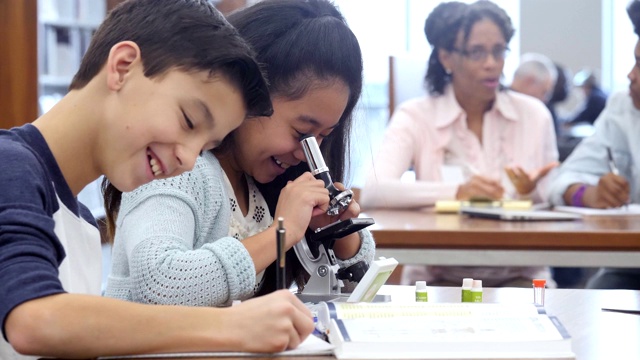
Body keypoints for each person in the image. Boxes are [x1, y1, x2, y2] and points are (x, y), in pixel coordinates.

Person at [0, 0, 317, 358]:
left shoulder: (81, 223)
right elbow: (34, 320)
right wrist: (232, 326)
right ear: (122, 67)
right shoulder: (10, 166)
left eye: (206, 146)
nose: (187, 159)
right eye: (189, 121)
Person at [104, 0, 374, 306]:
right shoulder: (177, 168)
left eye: (323, 138)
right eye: (301, 133)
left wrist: (339, 234)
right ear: (250, 93)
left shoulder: (262, 185)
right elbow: (160, 284)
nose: (306, 154)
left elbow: (360, 285)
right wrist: (280, 234)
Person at [360, 1, 558, 287]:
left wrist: (535, 191)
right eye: (477, 52)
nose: (492, 63)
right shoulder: (417, 116)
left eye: (499, 50)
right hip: (438, 280)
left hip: (521, 279)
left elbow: (554, 200)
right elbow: (374, 190)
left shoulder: (534, 115)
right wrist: (458, 192)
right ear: (446, 57)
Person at [546, 0, 640, 291]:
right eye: (635, 60)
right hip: (633, 265)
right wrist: (589, 194)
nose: (630, 75)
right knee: (592, 303)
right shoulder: (622, 106)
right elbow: (562, 181)